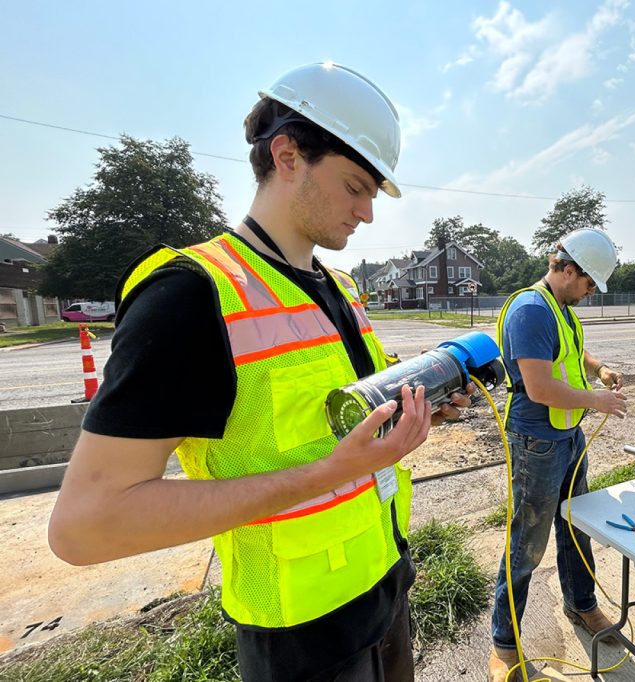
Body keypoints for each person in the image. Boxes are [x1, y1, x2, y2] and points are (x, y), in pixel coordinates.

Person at [48, 62, 473, 682]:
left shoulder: (342, 290)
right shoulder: (191, 295)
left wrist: (415, 413)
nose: (367, 214)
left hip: (384, 586)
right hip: (301, 638)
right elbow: (87, 525)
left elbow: (337, 422)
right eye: (355, 186)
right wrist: (332, 472)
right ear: (288, 154)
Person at [488, 228, 627, 682]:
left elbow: (571, 351)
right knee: (526, 545)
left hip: (567, 437)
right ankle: (505, 644)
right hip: (536, 443)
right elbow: (541, 387)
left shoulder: (560, 307)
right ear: (568, 269)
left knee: (575, 526)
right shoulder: (530, 311)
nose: (590, 293)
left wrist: (599, 367)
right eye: (589, 284)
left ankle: (581, 604)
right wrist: (597, 402)